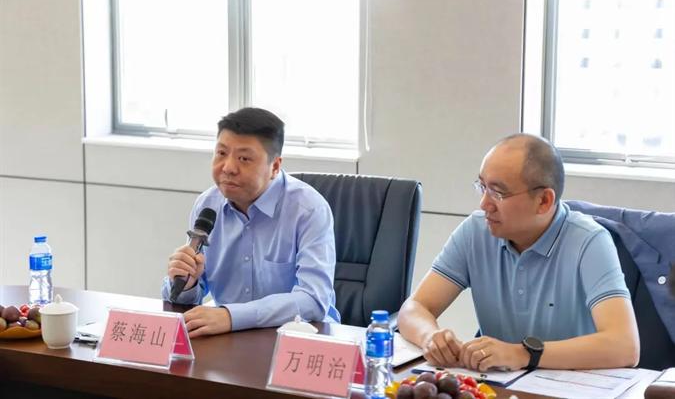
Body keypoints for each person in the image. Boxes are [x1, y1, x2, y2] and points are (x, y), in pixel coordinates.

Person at [398, 134, 640, 371]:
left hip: (571, 386)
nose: (484, 204)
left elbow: (625, 346)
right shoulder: (475, 231)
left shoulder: (590, 242)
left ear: (544, 201)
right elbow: (414, 308)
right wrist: (430, 337)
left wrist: (522, 354)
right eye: (482, 187)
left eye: (498, 193)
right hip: (497, 385)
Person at [161, 107, 340, 337]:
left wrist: (232, 316)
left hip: (301, 338)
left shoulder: (308, 210)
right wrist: (187, 283)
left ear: (275, 166)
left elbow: (313, 300)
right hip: (229, 337)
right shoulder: (207, 205)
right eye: (221, 153)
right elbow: (192, 294)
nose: (228, 168)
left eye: (244, 159)